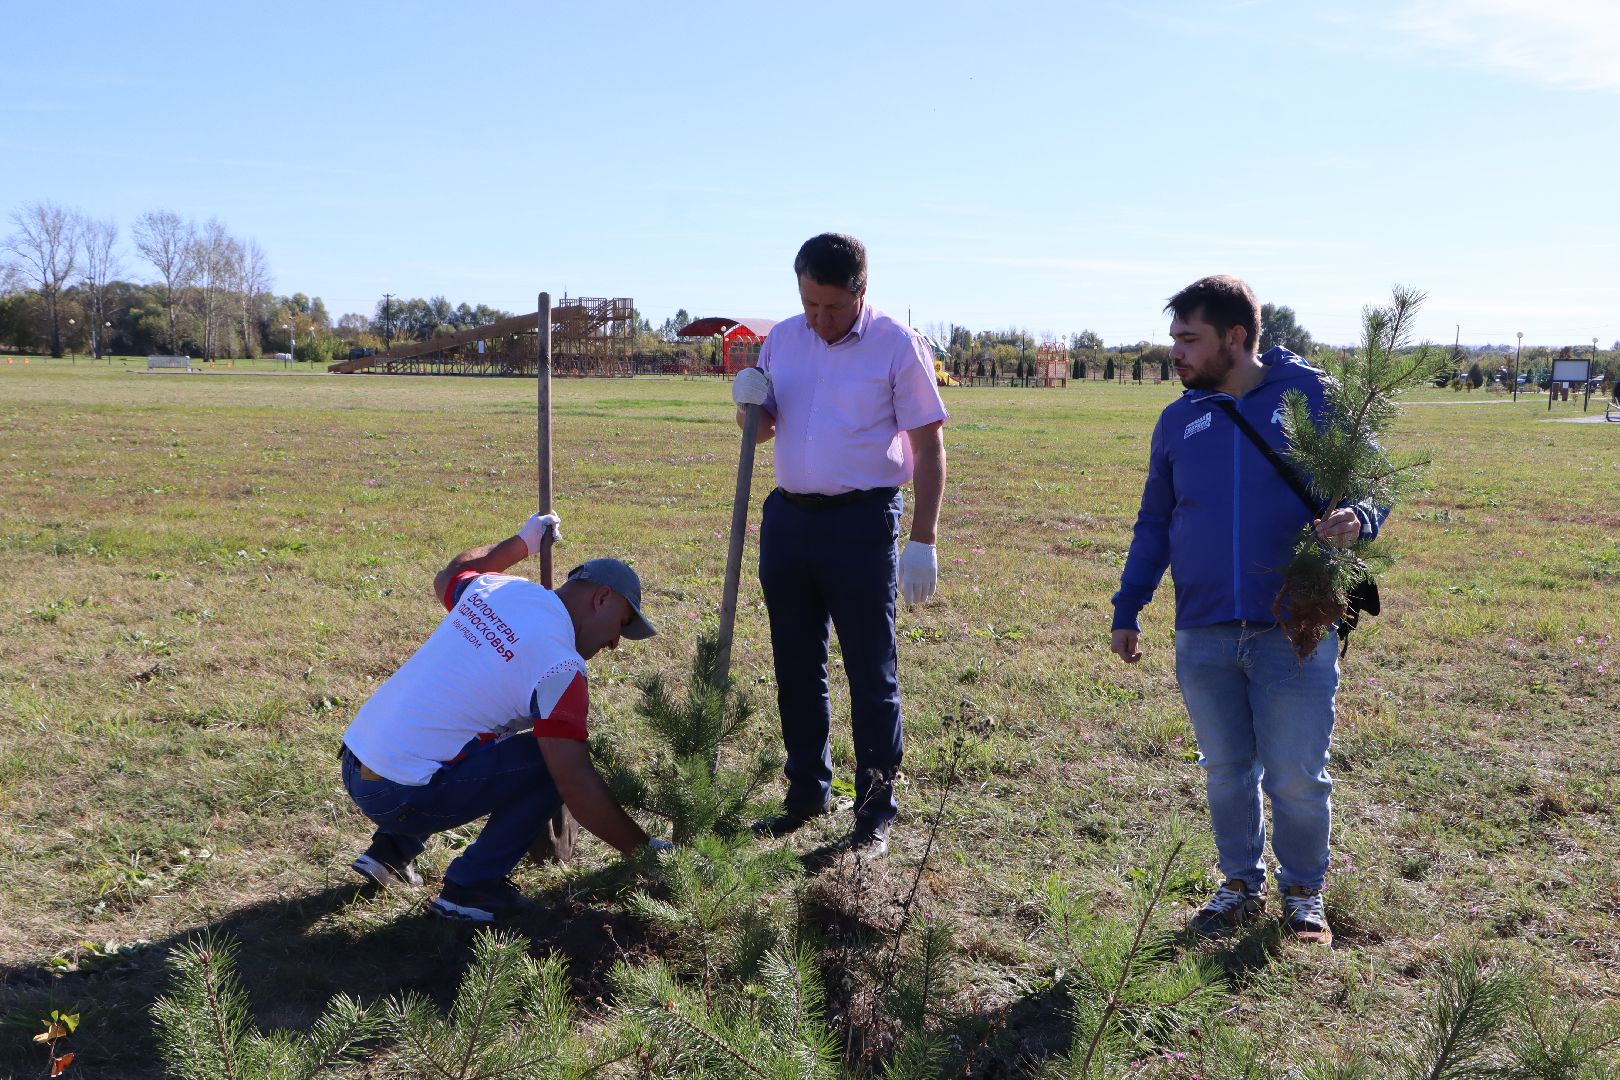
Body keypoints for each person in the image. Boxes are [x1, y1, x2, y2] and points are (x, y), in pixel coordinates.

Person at [1109, 275, 1388, 946]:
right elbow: (1155, 523)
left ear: (1235, 337)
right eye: (1173, 338)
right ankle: (1238, 883)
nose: (1175, 352)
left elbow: (1372, 484)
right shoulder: (1179, 419)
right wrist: (1129, 606)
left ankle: (1303, 895)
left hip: (1291, 624)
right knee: (1225, 768)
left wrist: (1360, 518)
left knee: (1295, 773)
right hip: (1202, 627)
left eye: (1188, 339)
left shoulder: (1314, 396)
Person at [730, 232, 948, 858]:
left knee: (868, 668)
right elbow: (764, 425)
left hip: (863, 522)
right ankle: (806, 793)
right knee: (796, 662)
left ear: (861, 292)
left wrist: (922, 539)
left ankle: (875, 812)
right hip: (789, 521)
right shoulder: (784, 339)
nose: (819, 319)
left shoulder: (896, 346)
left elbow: (929, 446)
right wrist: (746, 404)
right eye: (809, 305)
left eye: (832, 306)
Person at [340, 513, 669, 923]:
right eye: (621, 624)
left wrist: (521, 543)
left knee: (471, 722)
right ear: (601, 598)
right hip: (399, 795)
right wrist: (647, 851)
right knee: (548, 763)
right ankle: (471, 888)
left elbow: (452, 574)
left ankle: (389, 852)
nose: (616, 643)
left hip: (356, 760)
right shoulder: (560, 667)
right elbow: (577, 785)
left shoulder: (501, 588)